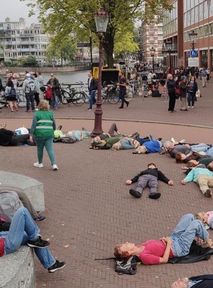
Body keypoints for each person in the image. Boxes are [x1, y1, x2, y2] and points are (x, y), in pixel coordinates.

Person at [114, 213, 212, 265]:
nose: (127, 242)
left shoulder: (140, 246)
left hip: (173, 238)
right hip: (179, 248)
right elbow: (164, 260)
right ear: (128, 252)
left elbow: (156, 247)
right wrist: (168, 243)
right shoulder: (144, 257)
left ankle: (200, 236)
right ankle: (208, 241)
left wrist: (163, 240)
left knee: (189, 216)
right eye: (125, 245)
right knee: (196, 223)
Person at [0, 207, 65, 273]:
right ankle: (35, 239)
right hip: (5, 245)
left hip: (3, 235)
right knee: (22, 211)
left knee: (30, 233)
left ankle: (51, 264)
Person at [30, 100, 58, 171]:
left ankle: (40, 163)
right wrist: (53, 130)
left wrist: (31, 135)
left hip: (39, 134)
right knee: (50, 149)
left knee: (40, 149)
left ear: (39, 106)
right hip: (49, 133)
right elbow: (54, 124)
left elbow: (33, 125)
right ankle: (54, 164)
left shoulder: (36, 114)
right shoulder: (50, 113)